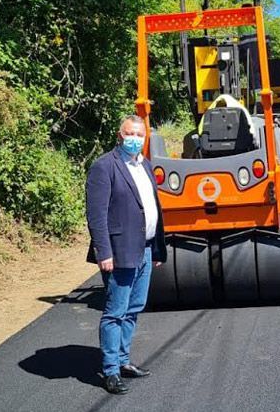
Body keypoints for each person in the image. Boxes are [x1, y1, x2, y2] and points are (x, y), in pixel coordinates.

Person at [85, 115, 167, 395]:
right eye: (130, 133)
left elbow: (149, 208)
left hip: (144, 249)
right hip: (119, 252)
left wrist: (155, 247)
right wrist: (103, 252)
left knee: (134, 308)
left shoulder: (144, 165)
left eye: (140, 135)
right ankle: (109, 371)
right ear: (119, 135)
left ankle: (123, 361)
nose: (135, 139)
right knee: (114, 312)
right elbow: (96, 215)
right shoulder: (104, 167)